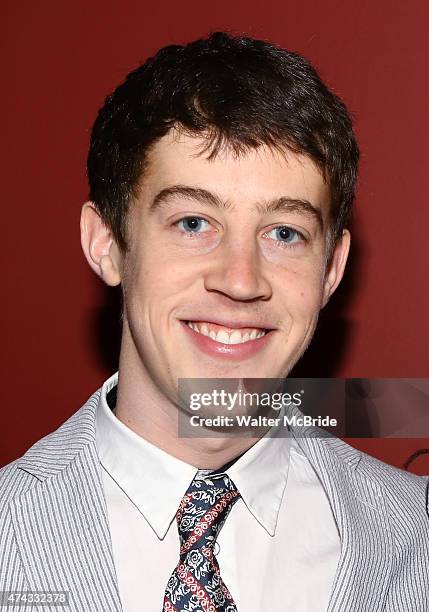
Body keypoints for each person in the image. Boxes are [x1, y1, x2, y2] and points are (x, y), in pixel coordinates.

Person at [0, 32, 428, 612]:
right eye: (194, 223)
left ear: (331, 269)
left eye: (284, 233)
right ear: (106, 244)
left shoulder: (414, 539)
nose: (241, 278)